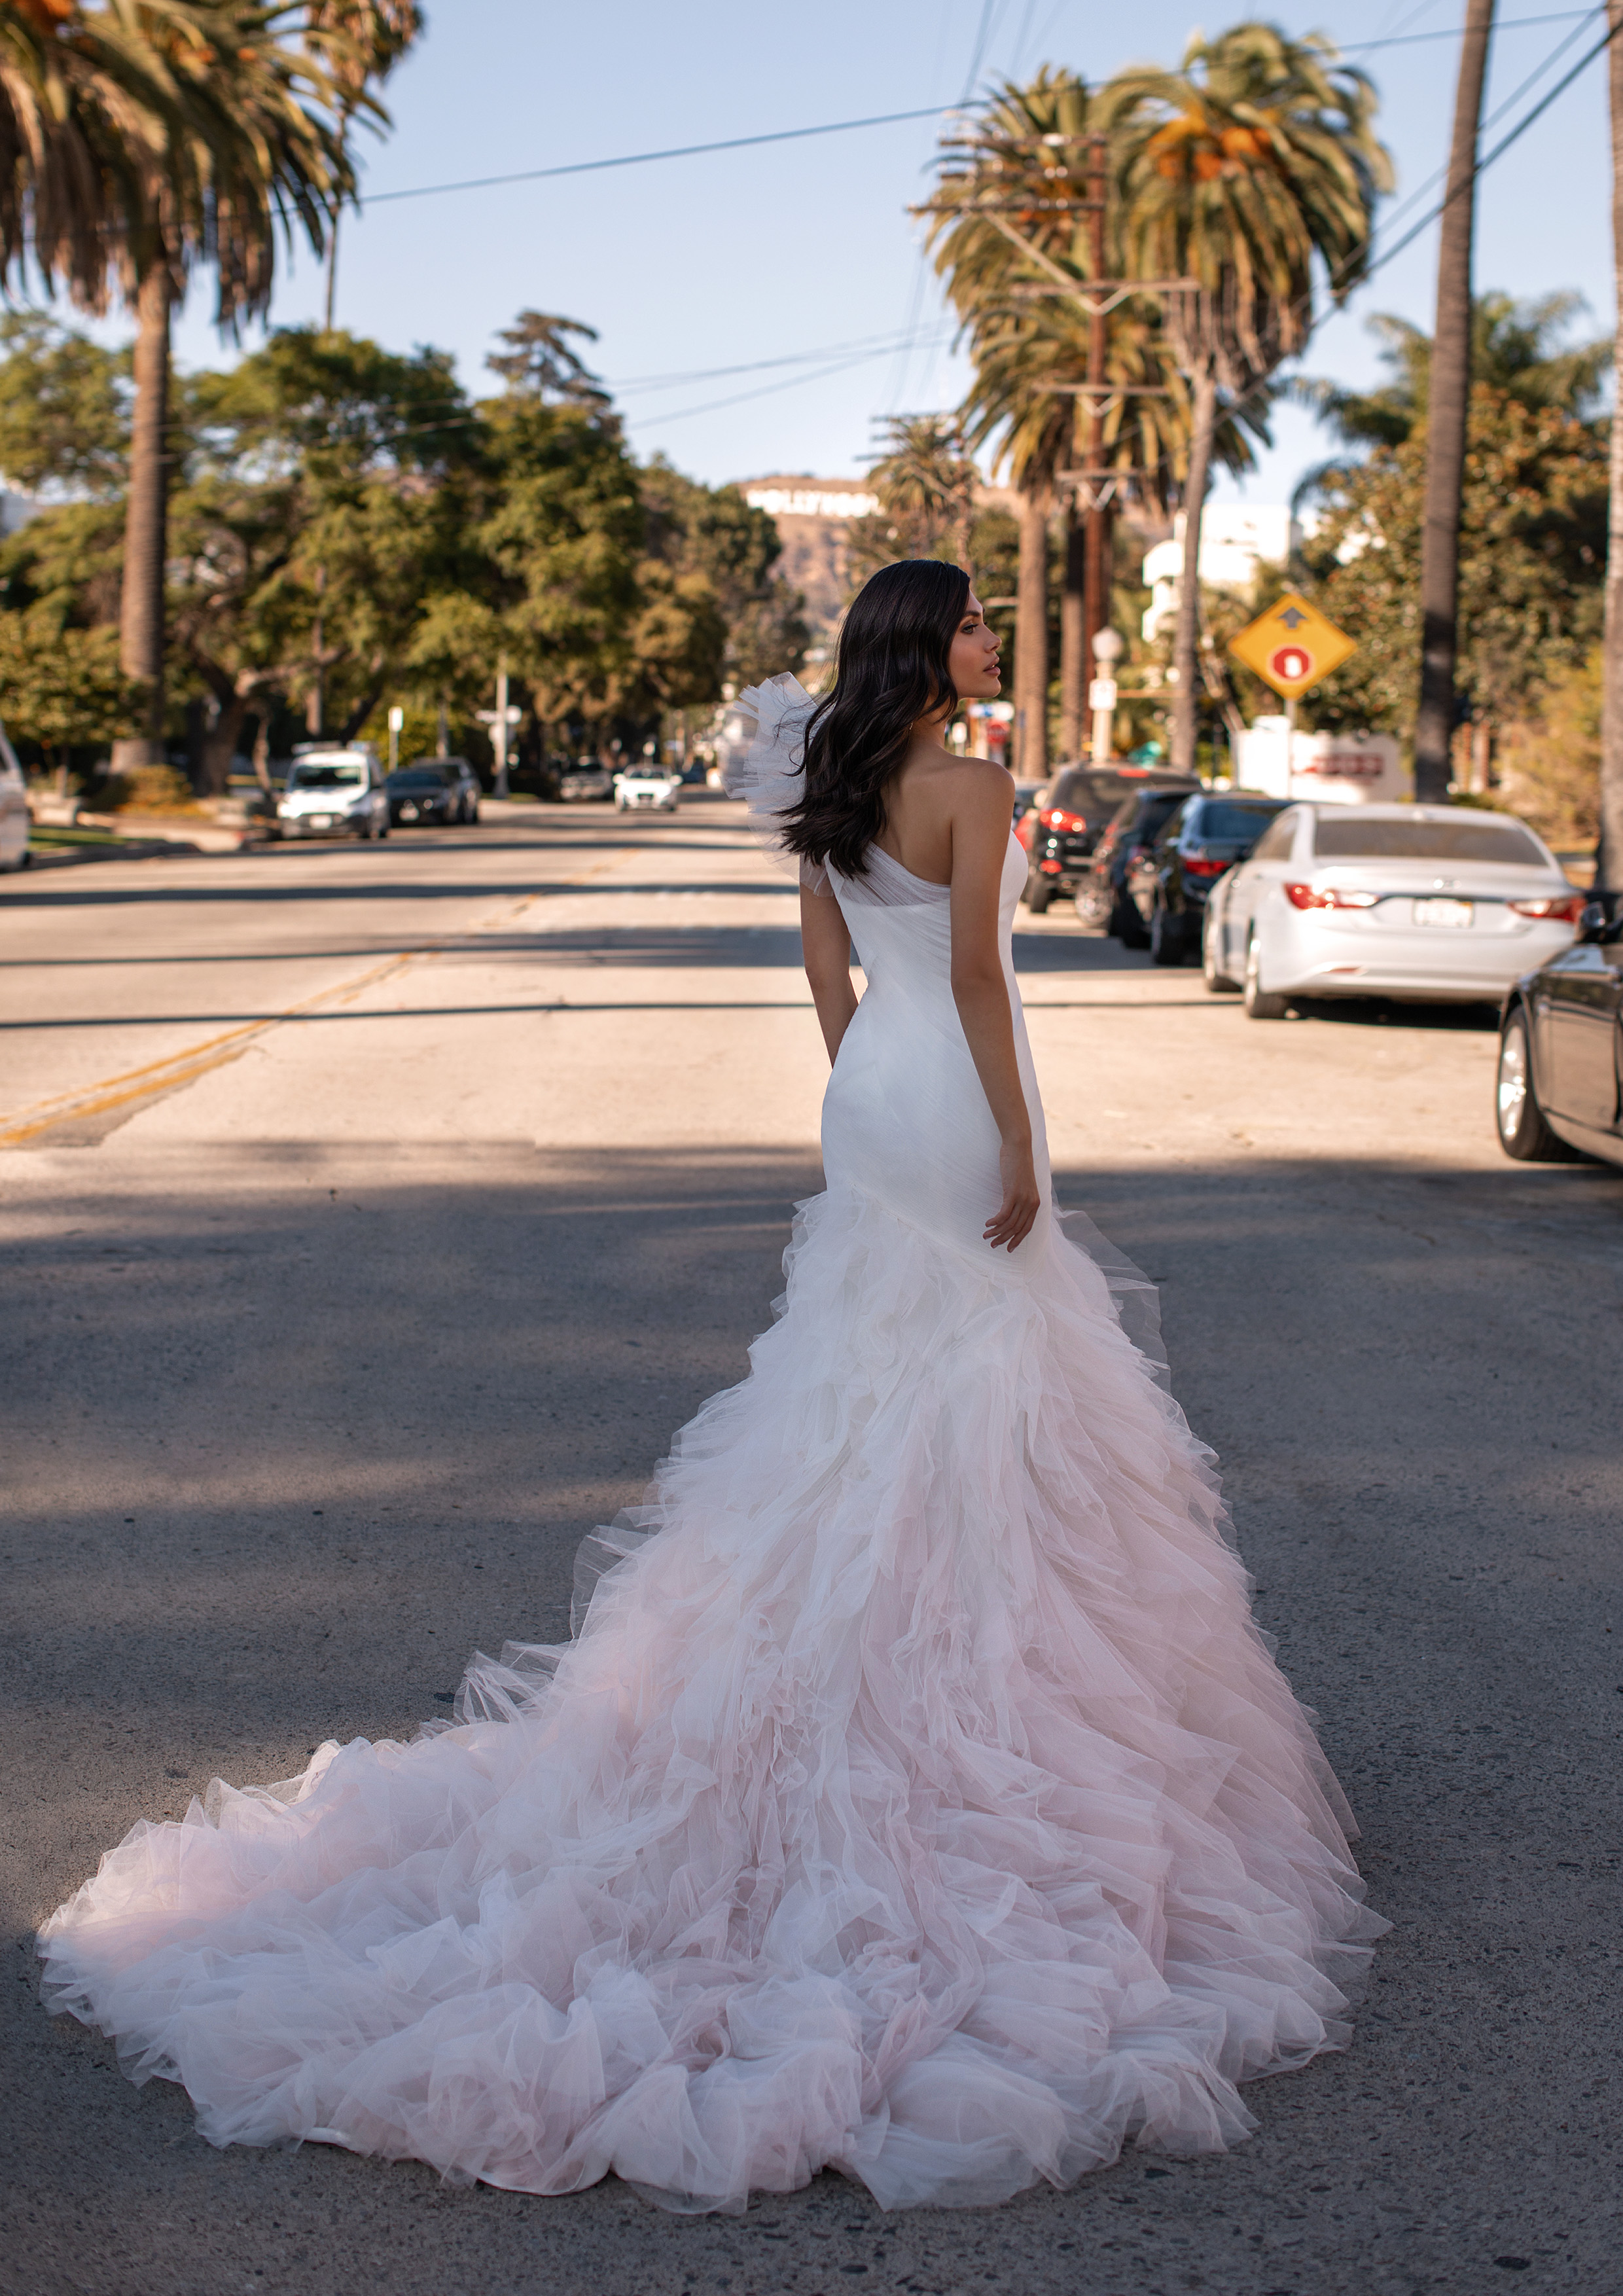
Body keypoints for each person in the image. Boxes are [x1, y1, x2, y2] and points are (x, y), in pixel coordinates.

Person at [39, 560, 1382, 2215]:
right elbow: (979, 975)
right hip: (960, 1084)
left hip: (872, 1090)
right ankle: (956, 1665)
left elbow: (835, 973)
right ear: (923, 640)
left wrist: (865, 1091)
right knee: (981, 1386)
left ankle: (849, 1661)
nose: (984, 640)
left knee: (859, 1388)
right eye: (968, 621)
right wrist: (1024, 1144)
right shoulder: (972, 778)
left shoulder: (828, 779)